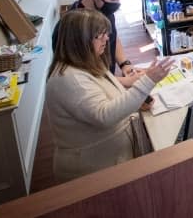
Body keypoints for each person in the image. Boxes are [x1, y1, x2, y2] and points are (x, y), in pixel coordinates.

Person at [46, 9, 173, 183]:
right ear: (79, 41)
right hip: (93, 174)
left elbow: (107, 91)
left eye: (106, 33)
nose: (107, 39)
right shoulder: (69, 79)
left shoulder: (86, 62)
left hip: (112, 161)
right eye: (100, 35)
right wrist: (148, 81)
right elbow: (104, 115)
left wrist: (136, 102)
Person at [52, 0, 138, 87]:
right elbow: (79, 76)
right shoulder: (71, 27)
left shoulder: (105, 11)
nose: (116, 4)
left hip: (108, 80)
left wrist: (125, 64)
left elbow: (113, 38)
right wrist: (124, 82)